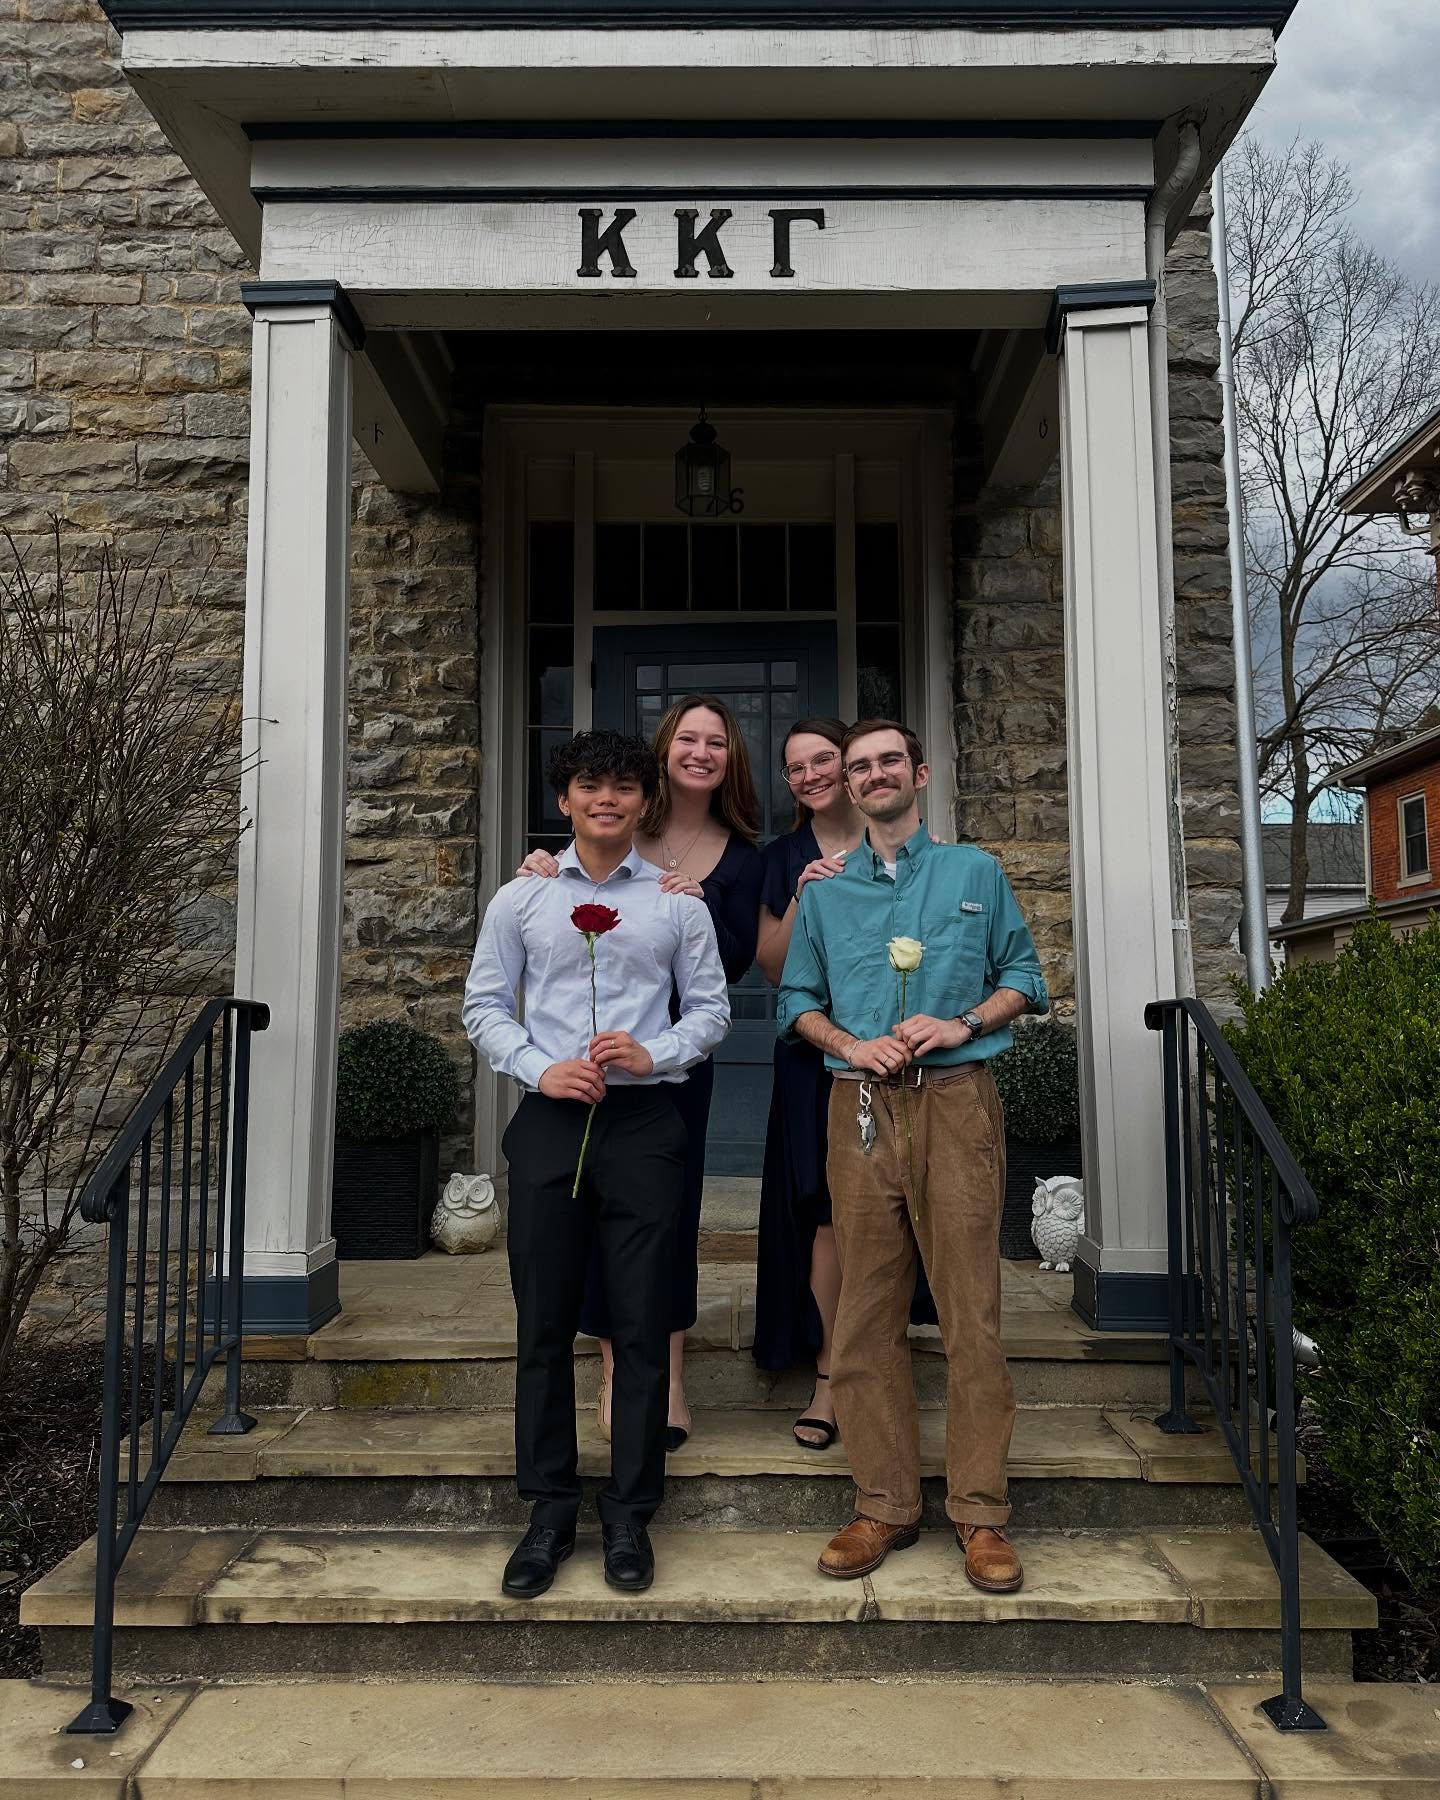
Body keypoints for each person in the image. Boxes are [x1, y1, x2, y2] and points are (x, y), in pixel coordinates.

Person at [777, 719, 1048, 1594]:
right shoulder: (823, 895)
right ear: (846, 789)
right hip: (858, 1106)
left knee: (971, 1309)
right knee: (863, 1311)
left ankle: (980, 1510)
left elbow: (1024, 977)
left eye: (889, 760)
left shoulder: (976, 873)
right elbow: (796, 1001)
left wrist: (960, 1022)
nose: (874, 775)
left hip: (958, 1103)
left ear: (918, 774)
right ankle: (884, 1502)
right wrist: (850, 1044)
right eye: (858, 767)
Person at [463, 729, 730, 1599]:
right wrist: (540, 1067)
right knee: (542, 1326)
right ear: (566, 797)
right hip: (549, 1120)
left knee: (642, 1321)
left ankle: (629, 1512)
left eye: (623, 785)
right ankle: (546, 1512)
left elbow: (715, 1011)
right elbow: (484, 1005)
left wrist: (656, 1053)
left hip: (645, 1124)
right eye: (590, 785)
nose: (607, 798)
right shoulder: (522, 899)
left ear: (646, 801)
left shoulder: (677, 903)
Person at [515, 695, 763, 1448]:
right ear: (660, 755)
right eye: (686, 737)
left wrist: (697, 908)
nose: (699, 751)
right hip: (581, 1067)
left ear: (731, 759)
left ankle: (671, 1377)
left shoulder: (744, 854)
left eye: (715, 741)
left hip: (672, 1064)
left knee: (667, 1221)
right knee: (587, 1212)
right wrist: (544, 866)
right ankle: (617, 1370)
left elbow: (737, 965)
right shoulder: (615, 827)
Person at [753, 718, 936, 1449]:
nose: (810, 775)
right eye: (794, 767)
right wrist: (804, 893)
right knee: (825, 1210)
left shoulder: (906, 842)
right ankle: (832, 1373)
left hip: (907, 1055)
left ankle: (883, 1363)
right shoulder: (782, 857)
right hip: (815, 1057)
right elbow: (772, 969)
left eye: (822, 759)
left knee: (896, 1208)